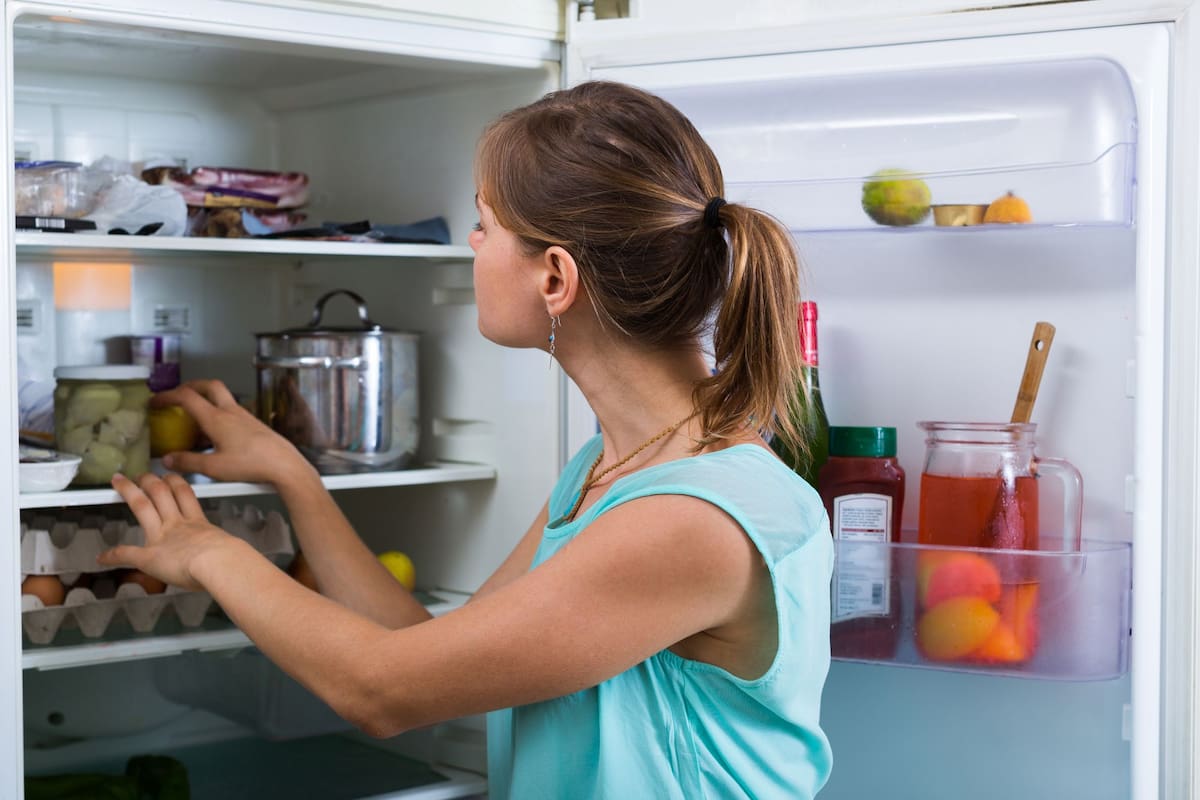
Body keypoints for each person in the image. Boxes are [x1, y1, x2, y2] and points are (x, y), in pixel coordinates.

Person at [101, 81, 834, 799]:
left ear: (555, 277)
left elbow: (380, 689)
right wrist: (296, 480)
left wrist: (210, 553)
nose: (472, 245)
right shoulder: (615, 467)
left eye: (484, 224)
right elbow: (424, 649)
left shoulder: (695, 519)